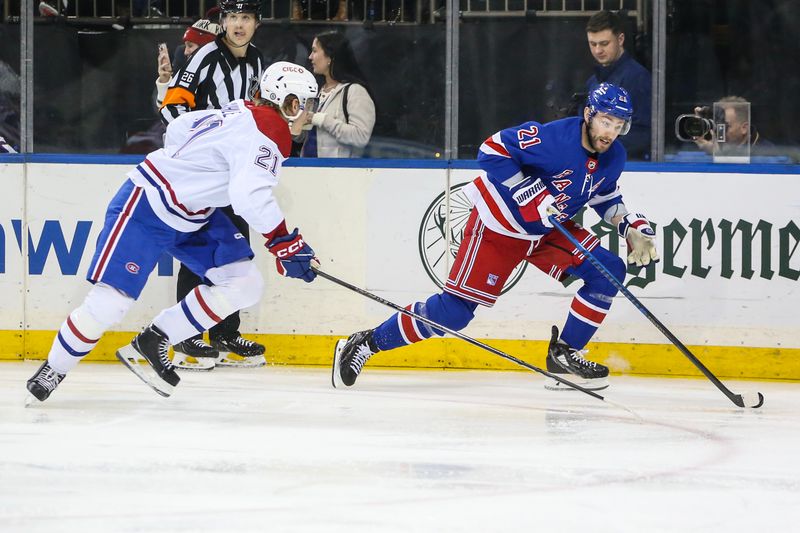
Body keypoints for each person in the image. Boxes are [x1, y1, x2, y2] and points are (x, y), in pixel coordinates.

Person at [332, 83, 659, 392]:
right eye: (606, 121)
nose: (611, 133)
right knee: (455, 313)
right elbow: (490, 149)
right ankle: (365, 343)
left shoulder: (614, 155)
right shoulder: (553, 139)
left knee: (608, 270)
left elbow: (604, 197)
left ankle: (563, 356)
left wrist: (630, 226)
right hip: (499, 227)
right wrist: (525, 189)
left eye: (619, 125)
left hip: (545, 230)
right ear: (589, 114)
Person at [25, 61, 320, 403]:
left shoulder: (243, 111)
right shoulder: (269, 128)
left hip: (195, 214)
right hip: (147, 206)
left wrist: (195, 174)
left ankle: (154, 339)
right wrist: (284, 242)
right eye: (306, 104)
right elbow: (248, 196)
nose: (309, 114)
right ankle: (54, 369)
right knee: (110, 304)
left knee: (245, 283)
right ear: (288, 103)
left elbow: (179, 128)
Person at [160, 0, 268, 369]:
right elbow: (173, 106)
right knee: (198, 253)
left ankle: (224, 332)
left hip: (235, 173)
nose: (239, 24)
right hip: (204, 173)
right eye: (232, 18)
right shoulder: (205, 55)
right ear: (222, 23)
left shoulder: (257, 60)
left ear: (256, 23)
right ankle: (186, 336)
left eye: (246, 18)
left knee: (235, 253)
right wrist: (200, 145)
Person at [585, 10, 651, 160]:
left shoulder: (638, 78)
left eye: (604, 43)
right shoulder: (592, 82)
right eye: (592, 44)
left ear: (620, 39)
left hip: (629, 165)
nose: (597, 50)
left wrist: (599, 149)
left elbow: (644, 133)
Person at [299, 31, 375, 158]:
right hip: (308, 169)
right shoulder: (316, 90)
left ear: (330, 57)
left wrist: (322, 120)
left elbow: (361, 137)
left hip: (338, 173)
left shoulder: (355, 91)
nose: (310, 57)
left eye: (315, 51)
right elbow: (305, 138)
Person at [155, 18, 222, 110]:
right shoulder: (186, 71)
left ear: (207, 48)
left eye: (190, 46)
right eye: (185, 46)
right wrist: (165, 81)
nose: (185, 52)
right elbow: (167, 114)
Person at [691, 96, 771, 157]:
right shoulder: (710, 146)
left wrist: (720, 154)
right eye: (716, 125)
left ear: (744, 128)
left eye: (725, 126)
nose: (718, 131)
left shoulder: (766, 152)